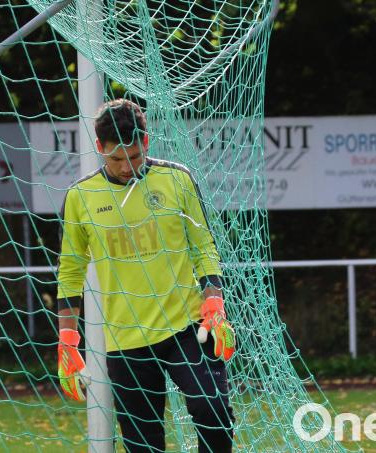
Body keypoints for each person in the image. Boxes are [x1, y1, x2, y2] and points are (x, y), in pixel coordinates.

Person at [56, 98, 236, 452]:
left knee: (213, 411)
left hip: (187, 328)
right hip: (125, 341)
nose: (126, 167)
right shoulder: (80, 197)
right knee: (143, 445)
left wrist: (213, 299)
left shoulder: (177, 179)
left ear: (147, 143)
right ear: (99, 149)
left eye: (135, 157)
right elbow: (70, 270)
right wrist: (67, 338)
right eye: (116, 159)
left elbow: (203, 246)